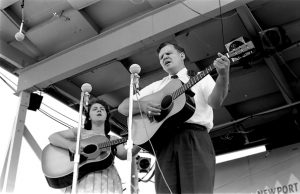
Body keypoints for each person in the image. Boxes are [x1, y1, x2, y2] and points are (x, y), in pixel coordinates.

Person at [118, 42, 230, 193]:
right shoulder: (157, 86)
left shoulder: (200, 77)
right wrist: (143, 106)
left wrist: (223, 75)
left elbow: (215, 102)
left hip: (193, 137)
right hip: (164, 142)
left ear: (182, 55)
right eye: (161, 57)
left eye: (168, 53)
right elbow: (123, 107)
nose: (164, 57)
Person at [48, 98, 140, 194]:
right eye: (95, 109)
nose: (99, 110)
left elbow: (124, 155)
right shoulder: (79, 132)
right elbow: (53, 137)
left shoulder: (113, 139)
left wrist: (143, 143)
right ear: (89, 117)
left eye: (102, 109)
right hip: (82, 181)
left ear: (106, 116)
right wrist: (70, 145)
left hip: (106, 182)